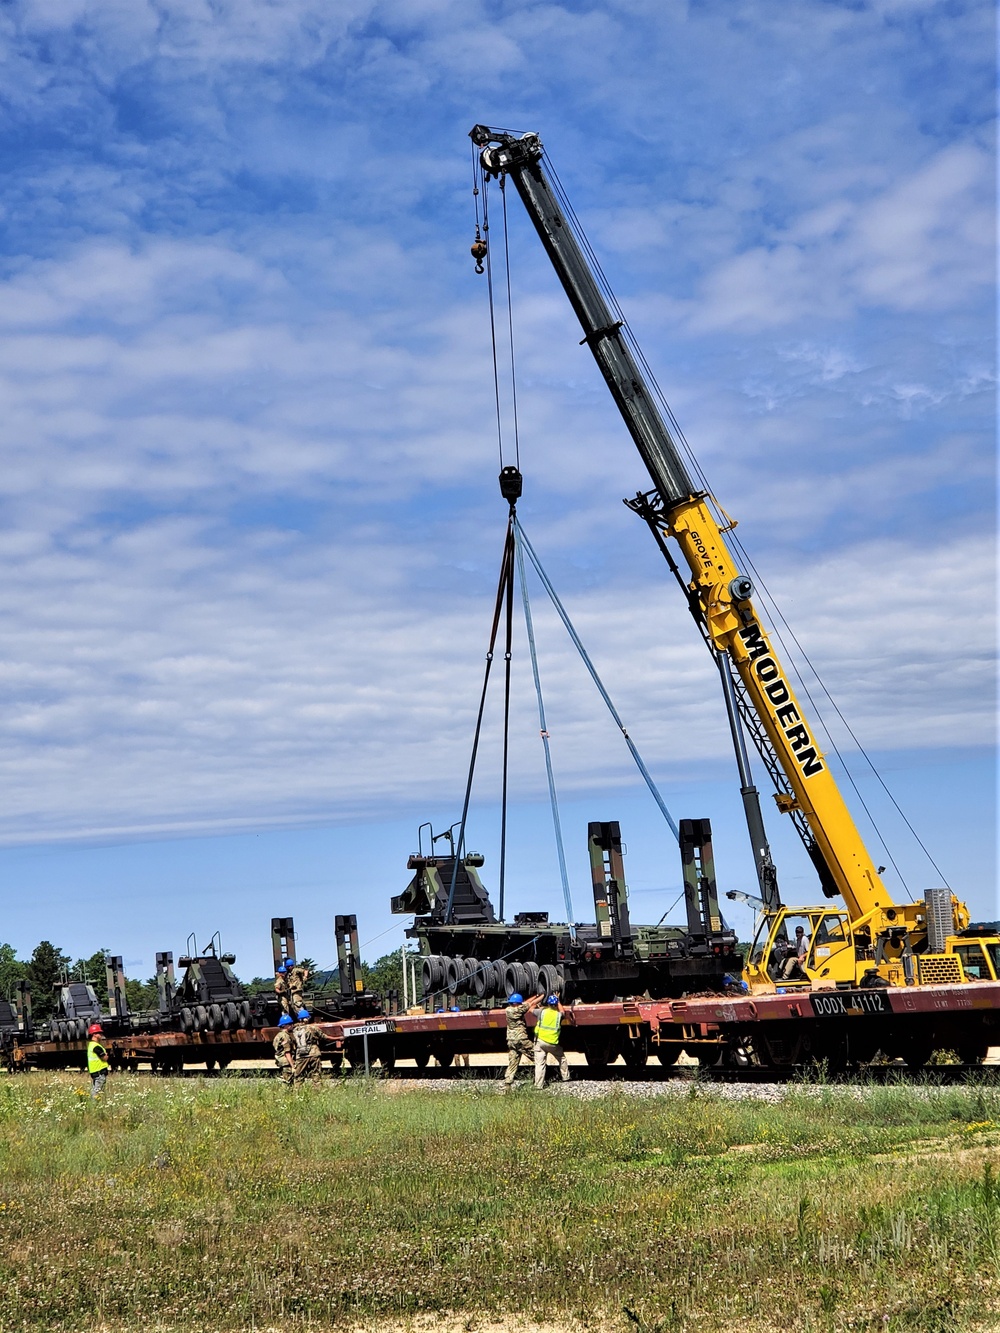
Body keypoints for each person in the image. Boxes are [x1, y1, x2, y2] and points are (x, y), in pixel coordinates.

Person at [503, 992, 543, 1089]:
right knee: (538, 1056)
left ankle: (507, 1084)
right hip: (521, 1039)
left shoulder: (508, 1009)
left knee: (513, 1062)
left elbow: (526, 1003)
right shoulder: (518, 1010)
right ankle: (539, 1080)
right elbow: (531, 1004)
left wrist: (536, 995)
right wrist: (542, 996)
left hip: (511, 1041)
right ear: (517, 1003)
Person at [533, 994, 571, 1089]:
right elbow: (563, 1011)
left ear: (548, 1004)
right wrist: (558, 1000)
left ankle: (538, 1085)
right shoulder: (558, 1015)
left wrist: (539, 997)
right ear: (555, 1005)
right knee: (561, 1058)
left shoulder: (542, 1012)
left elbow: (531, 1007)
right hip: (553, 1043)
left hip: (540, 1042)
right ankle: (565, 1077)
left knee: (539, 1064)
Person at [291, 1007, 325, 1085]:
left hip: (300, 1054)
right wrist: (338, 1038)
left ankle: (297, 1092)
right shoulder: (313, 1028)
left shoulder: (295, 1029)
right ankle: (317, 1091)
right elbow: (324, 1037)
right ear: (308, 1018)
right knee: (316, 1074)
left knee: (298, 1076)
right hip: (313, 1052)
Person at [87, 1023, 110, 1098]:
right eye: (99, 1033)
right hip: (99, 1072)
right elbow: (104, 1058)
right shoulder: (96, 1046)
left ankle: (93, 1106)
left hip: (95, 1072)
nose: (101, 1034)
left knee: (95, 1091)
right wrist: (106, 1055)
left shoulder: (91, 1045)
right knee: (97, 1093)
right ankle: (93, 1107)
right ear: (94, 1035)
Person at [273, 1013, 295, 1086]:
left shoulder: (278, 1035)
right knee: (287, 1082)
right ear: (286, 1025)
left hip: (280, 1060)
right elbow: (287, 1052)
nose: (292, 1025)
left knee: (285, 1079)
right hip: (286, 1062)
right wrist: (293, 1066)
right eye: (290, 1024)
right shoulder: (285, 1036)